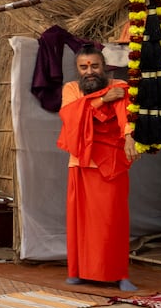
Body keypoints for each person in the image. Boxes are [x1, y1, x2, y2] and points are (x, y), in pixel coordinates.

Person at [58, 44, 137, 289]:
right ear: (78, 69)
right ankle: (77, 271)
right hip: (80, 163)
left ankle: (120, 274)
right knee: (80, 223)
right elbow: (69, 115)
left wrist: (130, 137)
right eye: (84, 67)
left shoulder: (119, 87)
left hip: (111, 164)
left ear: (104, 67)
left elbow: (126, 117)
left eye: (94, 66)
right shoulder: (71, 89)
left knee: (113, 222)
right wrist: (102, 99)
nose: (89, 71)